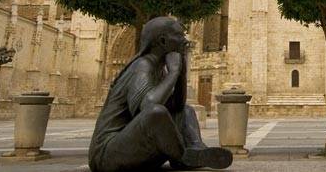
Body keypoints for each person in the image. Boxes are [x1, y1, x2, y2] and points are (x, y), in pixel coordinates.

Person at [88, 17, 232, 172]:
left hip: (132, 151)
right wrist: (174, 73)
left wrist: (181, 72)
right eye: (179, 35)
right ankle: (185, 156)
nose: (184, 40)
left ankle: (196, 148)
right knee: (157, 112)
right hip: (105, 156)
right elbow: (149, 108)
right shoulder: (142, 65)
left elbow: (177, 105)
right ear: (163, 41)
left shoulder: (158, 67)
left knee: (186, 110)